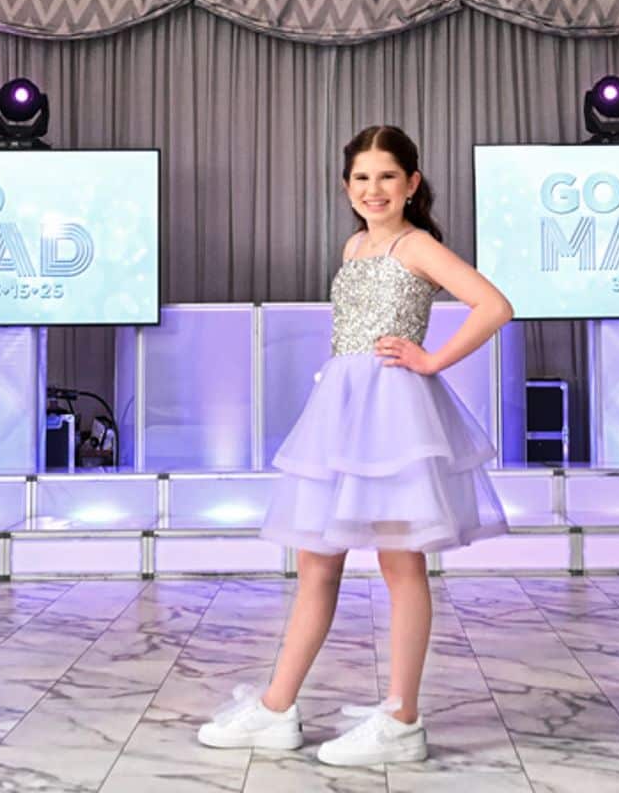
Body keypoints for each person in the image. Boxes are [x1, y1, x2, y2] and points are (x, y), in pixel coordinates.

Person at [198, 123, 514, 768]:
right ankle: (277, 707)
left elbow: (493, 305)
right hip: (341, 409)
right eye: (362, 178)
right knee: (316, 560)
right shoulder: (354, 247)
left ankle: (401, 720)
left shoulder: (416, 245)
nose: (374, 189)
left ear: (412, 184)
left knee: (402, 565)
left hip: (394, 415)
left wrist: (432, 362)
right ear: (347, 187)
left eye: (388, 177)